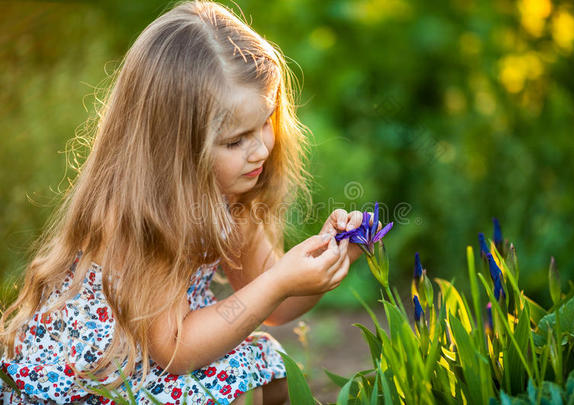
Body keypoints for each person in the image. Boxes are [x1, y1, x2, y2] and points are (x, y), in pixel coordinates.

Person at [0, 1, 375, 403]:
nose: (260, 150)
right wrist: (278, 281)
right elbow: (175, 349)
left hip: (158, 353)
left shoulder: (234, 194)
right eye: (234, 141)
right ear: (174, 148)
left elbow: (273, 304)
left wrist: (333, 257)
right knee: (245, 385)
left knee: (275, 374)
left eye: (265, 122)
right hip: (98, 374)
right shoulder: (146, 212)